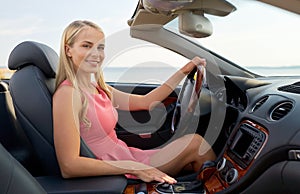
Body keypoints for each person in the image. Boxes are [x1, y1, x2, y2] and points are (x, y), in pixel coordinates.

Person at [53, 20, 216, 184]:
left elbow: (147, 101)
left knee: (193, 156)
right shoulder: (68, 94)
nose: (96, 54)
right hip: (116, 170)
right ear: (68, 50)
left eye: (100, 47)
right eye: (87, 46)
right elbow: (69, 165)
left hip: (128, 157)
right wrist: (133, 167)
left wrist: (186, 69)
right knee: (196, 144)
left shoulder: (96, 87)